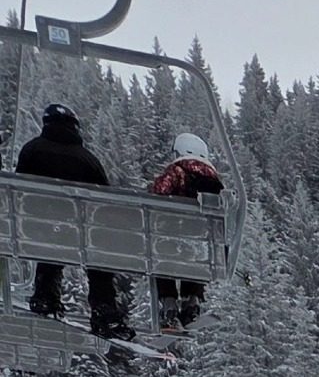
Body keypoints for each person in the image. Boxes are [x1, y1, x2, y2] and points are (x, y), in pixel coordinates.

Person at [17, 102, 123, 337]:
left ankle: (45, 296)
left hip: (36, 226)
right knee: (97, 255)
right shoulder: (87, 159)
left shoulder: (31, 150)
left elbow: (19, 188)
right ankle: (104, 308)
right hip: (79, 231)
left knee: (51, 242)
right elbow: (104, 199)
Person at [148, 132, 225, 330]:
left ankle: (169, 304)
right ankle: (192, 302)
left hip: (172, 234)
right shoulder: (214, 179)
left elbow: (158, 192)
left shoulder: (177, 171)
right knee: (196, 263)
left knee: (161, 260)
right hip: (201, 240)